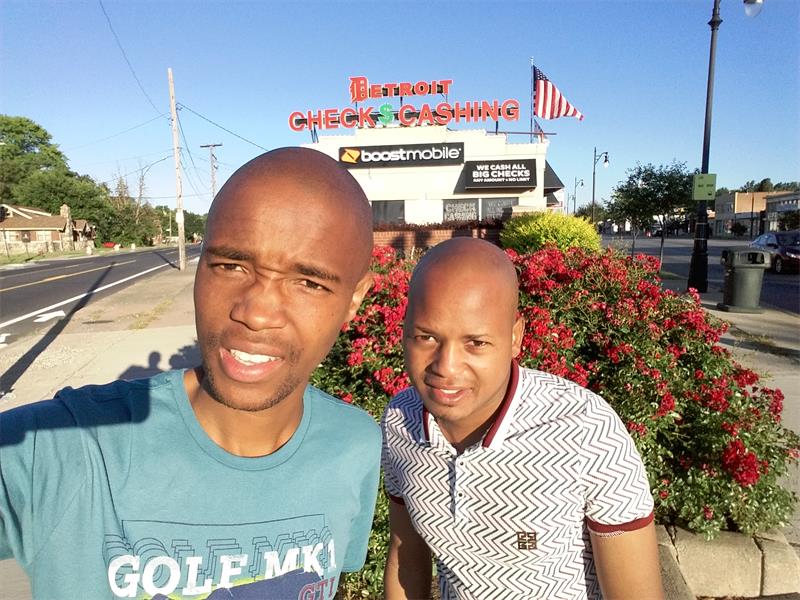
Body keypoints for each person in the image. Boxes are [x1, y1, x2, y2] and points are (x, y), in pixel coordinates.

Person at [0, 147, 381, 599]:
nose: (256, 313)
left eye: (309, 283)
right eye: (231, 265)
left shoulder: (353, 442)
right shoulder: (61, 448)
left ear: (354, 300)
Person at [381, 238, 663, 600]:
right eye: (426, 337)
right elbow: (406, 557)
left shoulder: (587, 431)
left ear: (515, 337)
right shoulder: (400, 422)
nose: (446, 367)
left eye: (476, 343)